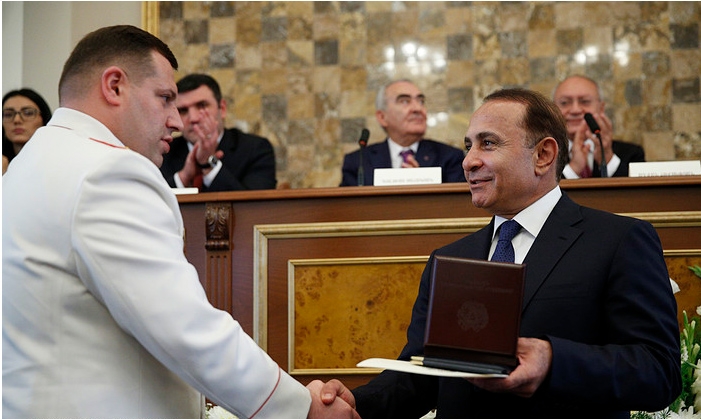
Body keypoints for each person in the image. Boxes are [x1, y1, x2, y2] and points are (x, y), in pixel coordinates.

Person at [2, 25, 358, 419]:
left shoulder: (27, 164)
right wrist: (300, 407)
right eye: (166, 98)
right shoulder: (106, 171)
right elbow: (183, 328)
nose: (176, 121)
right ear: (115, 86)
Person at [348, 88, 681, 418]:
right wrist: (352, 405)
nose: (468, 161)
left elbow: (658, 371)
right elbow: (419, 378)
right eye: (468, 146)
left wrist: (552, 360)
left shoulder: (618, 240)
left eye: (488, 143)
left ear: (543, 155)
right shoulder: (448, 258)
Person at [160, 73, 277, 191]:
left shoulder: (255, 149)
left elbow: (255, 202)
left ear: (223, 109)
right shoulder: (163, 151)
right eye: (183, 110)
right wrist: (184, 177)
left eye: (202, 106)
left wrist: (209, 164)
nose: (193, 118)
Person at [340, 79, 466, 186]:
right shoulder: (359, 162)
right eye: (405, 101)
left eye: (421, 101)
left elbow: (459, 204)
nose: (418, 108)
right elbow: (345, 205)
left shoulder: (450, 158)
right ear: (382, 117)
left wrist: (422, 187)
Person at [553, 75, 645, 178]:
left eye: (585, 102)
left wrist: (607, 158)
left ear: (601, 108)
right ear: (552, 111)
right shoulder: (543, 156)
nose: (575, 110)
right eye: (564, 103)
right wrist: (573, 168)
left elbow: (638, 187)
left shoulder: (632, 154)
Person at [2, 88, 52, 173]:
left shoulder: (56, 161)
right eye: (8, 114)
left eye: (28, 113)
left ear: (44, 119)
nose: (17, 120)